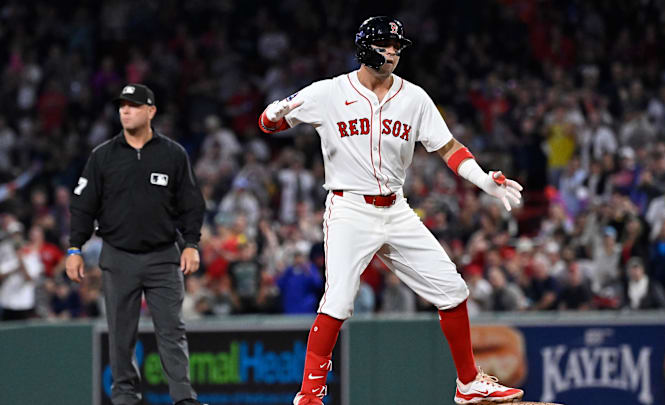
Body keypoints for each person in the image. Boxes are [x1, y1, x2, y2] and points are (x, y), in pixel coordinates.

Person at [258, 16, 524, 405]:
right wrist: (275, 110)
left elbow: (447, 148)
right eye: (388, 45)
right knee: (339, 299)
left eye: (398, 47)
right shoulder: (329, 93)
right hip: (349, 207)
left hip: (397, 208)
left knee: (452, 290)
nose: (395, 53)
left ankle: (468, 384)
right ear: (367, 48)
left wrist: (483, 180)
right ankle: (309, 395)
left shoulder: (414, 97)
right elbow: (269, 125)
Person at [66, 84, 207, 405]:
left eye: (133, 106)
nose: (125, 111)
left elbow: (192, 203)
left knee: (172, 331)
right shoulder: (103, 156)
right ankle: (125, 397)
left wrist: (191, 243)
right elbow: (82, 207)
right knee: (120, 334)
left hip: (163, 256)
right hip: (118, 256)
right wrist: (75, 248)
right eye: (122, 106)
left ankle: (184, 398)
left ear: (150, 111)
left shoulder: (172, 153)